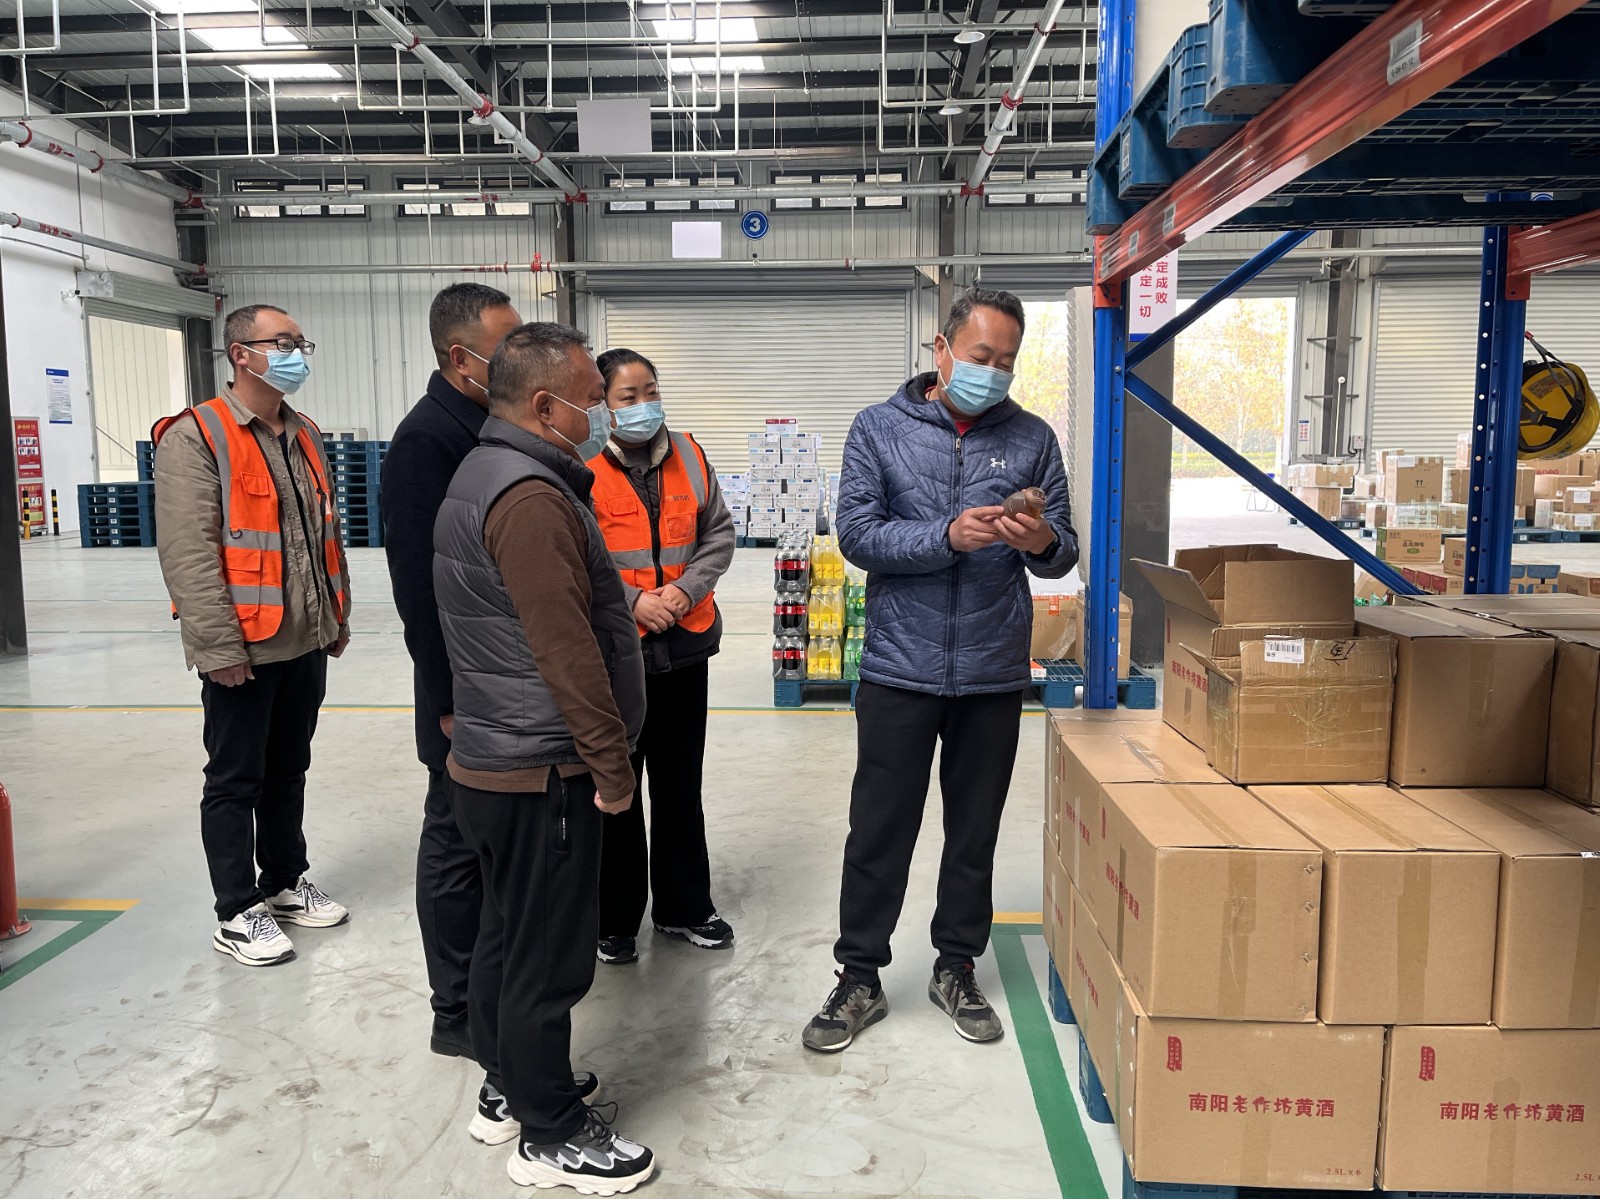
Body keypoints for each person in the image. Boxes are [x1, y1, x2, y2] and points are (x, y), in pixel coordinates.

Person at [801, 287, 1078, 1052]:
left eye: (1007, 361)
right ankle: (860, 973)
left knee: (973, 830)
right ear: (942, 348)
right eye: (982, 355)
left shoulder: (1032, 438)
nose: (994, 371)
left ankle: (956, 964)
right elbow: (858, 534)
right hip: (900, 666)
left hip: (992, 670)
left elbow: (1062, 550)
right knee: (879, 829)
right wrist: (946, 536)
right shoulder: (878, 428)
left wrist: (1037, 539)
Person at [433, 322, 654, 1194]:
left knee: (504, 937)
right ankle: (550, 1133)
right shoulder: (529, 499)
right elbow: (566, 651)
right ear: (544, 405)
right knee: (547, 960)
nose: (602, 417)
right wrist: (611, 765)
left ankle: (511, 1083)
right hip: (542, 768)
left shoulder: (484, 472)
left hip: (496, 757)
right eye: (593, 401)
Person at [153, 304, 352, 968]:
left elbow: (323, 534)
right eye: (283, 343)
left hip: (304, 636)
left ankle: (284, 881)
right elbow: (189, 552)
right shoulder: (196, 435)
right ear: (241, 354)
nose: (296, 354)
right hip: (244, 644)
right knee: (235, 778)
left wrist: (335, 616)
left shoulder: (305, 431)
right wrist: (217, 647)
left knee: (288, 768)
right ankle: (236, 909)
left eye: (300, 342)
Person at [382, 283, 523, 1059]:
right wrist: (445, 697)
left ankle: (486, 992)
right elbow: (417, 584)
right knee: (455, 837)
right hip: (462, 686)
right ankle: (456, 1010)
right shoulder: (427, 439)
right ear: (461, 357)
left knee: (487, 838)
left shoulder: (488, 424)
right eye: (506, 348)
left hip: (501, 674)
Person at [589, 349, 736, 965]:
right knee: (615, 788)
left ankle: (684, 907)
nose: (644, 405)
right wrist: (633, 602)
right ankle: (614, 919)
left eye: (650, 391)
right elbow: (576, 556)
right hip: (616, 657)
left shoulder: (691, 455)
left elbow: (718, 534)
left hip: (684, 646)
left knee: (680, 786)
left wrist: (683, 592)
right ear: (602, 406)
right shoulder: (579, 466)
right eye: (628, 396)